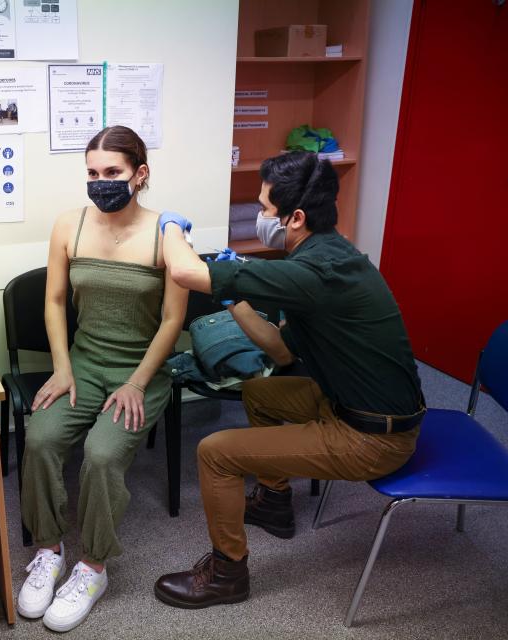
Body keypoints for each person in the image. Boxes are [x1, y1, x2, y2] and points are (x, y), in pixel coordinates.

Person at [152, 151, 425, 608]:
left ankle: (227, 574)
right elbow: (281, 351)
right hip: (354, 404)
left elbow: (182, 269)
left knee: (216, 453)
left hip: (372, 437)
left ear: (295, 217)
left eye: (264, 209)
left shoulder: (312, 272)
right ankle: (274, 503)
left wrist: (170, 228)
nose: (259, 217)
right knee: (261, 394)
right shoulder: (330, 253)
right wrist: (236, 298)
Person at [16, 125, 188, 631]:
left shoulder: (166, 232)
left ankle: (93, 566)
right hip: (84, 363)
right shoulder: (69, 225)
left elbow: (174, 321)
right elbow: (52, 301)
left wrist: (137, 383)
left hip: (141, 371)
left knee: (102, 454)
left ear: (140, 174)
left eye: (112, 172)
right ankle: (48, 551)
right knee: (41, 437)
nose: (100, 182)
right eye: (92, 172)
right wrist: (63, 366)